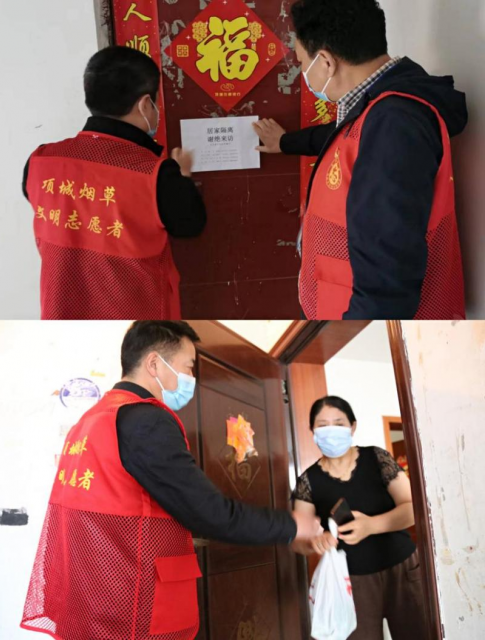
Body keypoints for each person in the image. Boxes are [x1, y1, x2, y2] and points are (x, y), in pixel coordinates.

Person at [21, 321, 322, 640]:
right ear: (154, 363)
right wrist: (292, 525)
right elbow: (209, 513)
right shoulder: (146, 420)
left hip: (91, 599)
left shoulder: (90, 420)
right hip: (132, 607)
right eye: (188, 367)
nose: (192, 378)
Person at [254, 0, 467, 321]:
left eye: (302, 63)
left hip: (360, 316)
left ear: (325, 61)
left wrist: (352, 337)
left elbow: (386, 278)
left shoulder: (395, 123)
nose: (303, 74)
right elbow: (341, 135)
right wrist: (285, 142)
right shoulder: (379, 109)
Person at [22, 47, 206, 320]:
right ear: (145, 104)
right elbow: (190, 225)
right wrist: (184, 177)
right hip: (138, 314)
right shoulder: (156, 174)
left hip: (60, 313)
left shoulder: (40, 160)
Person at [292, 396, 427, 640]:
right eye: (322, 425)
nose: (330, 431)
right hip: (351, 582)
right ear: (312, 431)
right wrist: (314, 541)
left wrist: (371, 525)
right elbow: (298, 540)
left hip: (403, 569)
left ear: (352, 427)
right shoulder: (307, 481)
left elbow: (413, 509)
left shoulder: (377, 459)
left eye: (338, 423)